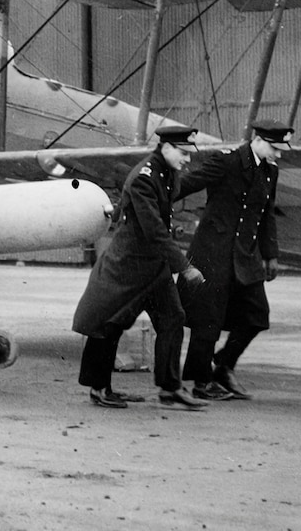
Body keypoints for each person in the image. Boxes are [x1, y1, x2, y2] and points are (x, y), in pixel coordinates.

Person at [72, 124, 208, 409]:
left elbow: (146, 200)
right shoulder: (145, 176)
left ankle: (170, 389)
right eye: (183, 152)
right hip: (129, 267)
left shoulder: (166, 172)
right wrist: (184, 267)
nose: (187, 159)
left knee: (173, 319)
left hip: (154, 268)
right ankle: (99, 388)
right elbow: (154, 230)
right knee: (108, 324)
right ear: (166, 148)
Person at [179, 119, 290, 401]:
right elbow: (190, 183)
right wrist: (152, 192)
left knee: (256, 316)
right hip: (212, 253)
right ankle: (201, 383)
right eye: (275, 148)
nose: (278, 154)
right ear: (258, 140)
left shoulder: (269, 172)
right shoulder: (226, 161)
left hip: (245, 254)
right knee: (209, 319)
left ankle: (224, 364)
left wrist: (271, 255)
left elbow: (266, 216)